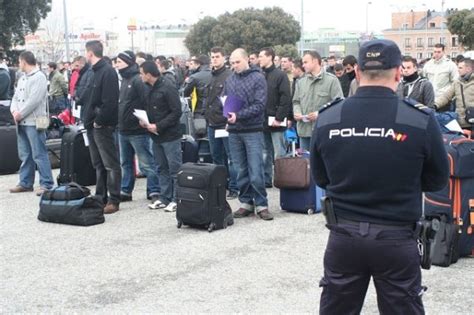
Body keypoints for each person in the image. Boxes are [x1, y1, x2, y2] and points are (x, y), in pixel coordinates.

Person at [311, 39, 449, 315]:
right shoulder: (419, 120)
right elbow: (437, 181)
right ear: (399, 72)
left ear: (358, 73)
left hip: (345, 235)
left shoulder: (329, 117)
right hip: (396, 237)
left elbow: (321, 177)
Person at [224, 48, 272, 221]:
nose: (234, 65)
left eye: (237, 62)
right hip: (234, 131)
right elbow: (225, 100)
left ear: (246, 60)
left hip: (253, 130)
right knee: (240, 169)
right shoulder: (229, 80)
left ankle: (261, 204)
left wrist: (239, 115)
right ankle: (246, 202)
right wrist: (226, 113)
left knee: (256, 169)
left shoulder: (258, 78)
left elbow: (260, 105)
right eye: (232, 63)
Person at [115, 50, 161, 203]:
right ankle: (126, 190)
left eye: (119, 62)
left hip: (137, 130)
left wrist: (145, 120)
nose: (117, 64)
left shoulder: (136, 80)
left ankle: (154, 190)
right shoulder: (124, 80)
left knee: (146, 162)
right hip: (123, 129)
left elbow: (146, 101)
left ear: (128, 62)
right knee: (126, 163)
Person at [82, 40, 121, 214]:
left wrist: (99, 120)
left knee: (110, 164)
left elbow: (110, 101)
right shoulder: (92, 72)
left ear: (90, 53)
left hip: (102, 125)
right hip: (92, 123)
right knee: (98, 163)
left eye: (85, 52)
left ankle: (114, 199)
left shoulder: (108, 72)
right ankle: (100, 196)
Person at [9, 51, 54, 195]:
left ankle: (46, 183)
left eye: (19, 61)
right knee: (25, 154)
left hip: (34, 121)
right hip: (22, 121)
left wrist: (19, 113)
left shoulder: (39, 77)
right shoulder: (22, 78)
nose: (18, 64)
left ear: (24, 61)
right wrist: (14, 110)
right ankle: (25, 182)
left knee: (39, 153)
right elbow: (15, 97)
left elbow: (34, 100)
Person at [139, 61, 182, 212]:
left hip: (170, 135)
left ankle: (177, 199)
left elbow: (176, 112)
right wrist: (144, 121)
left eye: (142, 73)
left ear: (149, 75)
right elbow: (148, 107)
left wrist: (159, 125)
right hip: (155, 135)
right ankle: (165, 197)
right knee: (161, 167)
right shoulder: (147, 88)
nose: (140, 76)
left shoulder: (168, 87)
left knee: (174, 168)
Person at [205, 47, 239, 200]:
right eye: (212, 57)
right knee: (217, 157)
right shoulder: (211, 76)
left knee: (231, 157)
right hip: (212, 123)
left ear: (224, 58)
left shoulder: (229, 76)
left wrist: (228, 120)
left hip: (224, 123)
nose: (214, 59)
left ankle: (234, 187)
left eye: (217, 57)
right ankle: (221, 185)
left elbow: (232, 99)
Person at [292, 50, 343, 151]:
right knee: (306, 164)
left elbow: (339, 104)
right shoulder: (301, 83)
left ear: (315, 61)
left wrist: (320, 114)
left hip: (324, 131)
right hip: (304, 131)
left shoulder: (332, 81)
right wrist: (297, 112)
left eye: (306, 62)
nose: (303, 65)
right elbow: (296, 101)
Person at [258, 47, 291, 188]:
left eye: (261, 56)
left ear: (270, 57)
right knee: (265, 151)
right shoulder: (259, 74)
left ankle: (282, 179)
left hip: (276, 120)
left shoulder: (280, 75)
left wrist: (279, 117)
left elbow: (285, 97)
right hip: (262, 120)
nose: (259, 59)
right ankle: (267, 179)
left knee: (279, 152)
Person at [434, 58, 474, 129]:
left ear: (468, 69)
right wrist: (435, 105)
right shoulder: (457, 82)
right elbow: (446, 96)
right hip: (461, 123)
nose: (458, 70)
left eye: (460, 68)